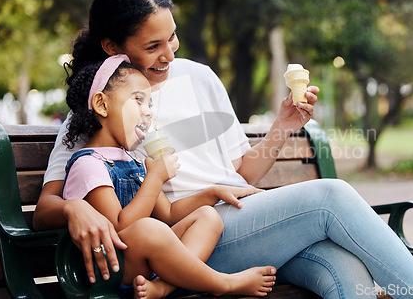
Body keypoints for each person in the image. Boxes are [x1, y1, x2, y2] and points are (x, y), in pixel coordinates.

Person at [34, 0, 413, 299]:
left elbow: (238, 171)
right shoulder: (100, 110)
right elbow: (51, 201)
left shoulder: (199, 77)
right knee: (332, 198)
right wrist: (75, 211)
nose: (169, 54)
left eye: (173, 37)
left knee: (346, 273)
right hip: (193, 242)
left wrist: (283, 127)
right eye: (153, 45)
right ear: (112, 47)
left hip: (252, 224)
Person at [61, 54, 276, 298]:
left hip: (144, 261)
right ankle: (224, 284)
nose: (148, 113)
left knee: (208, 216)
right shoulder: (89, 165)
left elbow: (169, 214)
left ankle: (164, 287)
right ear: (102, 105)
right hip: (112, 268)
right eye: (139, 100)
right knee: (148, 229)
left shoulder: (134, 160)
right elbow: (121, 227)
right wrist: (155, 178)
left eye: (150, 105)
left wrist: (213, 193)